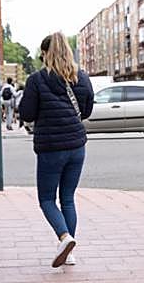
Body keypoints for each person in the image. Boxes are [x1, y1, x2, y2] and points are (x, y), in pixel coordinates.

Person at [18, 32, 94, 268]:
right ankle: (69, 253)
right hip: (76, 146)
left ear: (45, 54)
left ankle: (64, 237)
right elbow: (87, 110)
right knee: (68, 198)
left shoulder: (37, 80)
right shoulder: (81, 77)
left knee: (47, 199)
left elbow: (27, 114)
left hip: (51, 147)